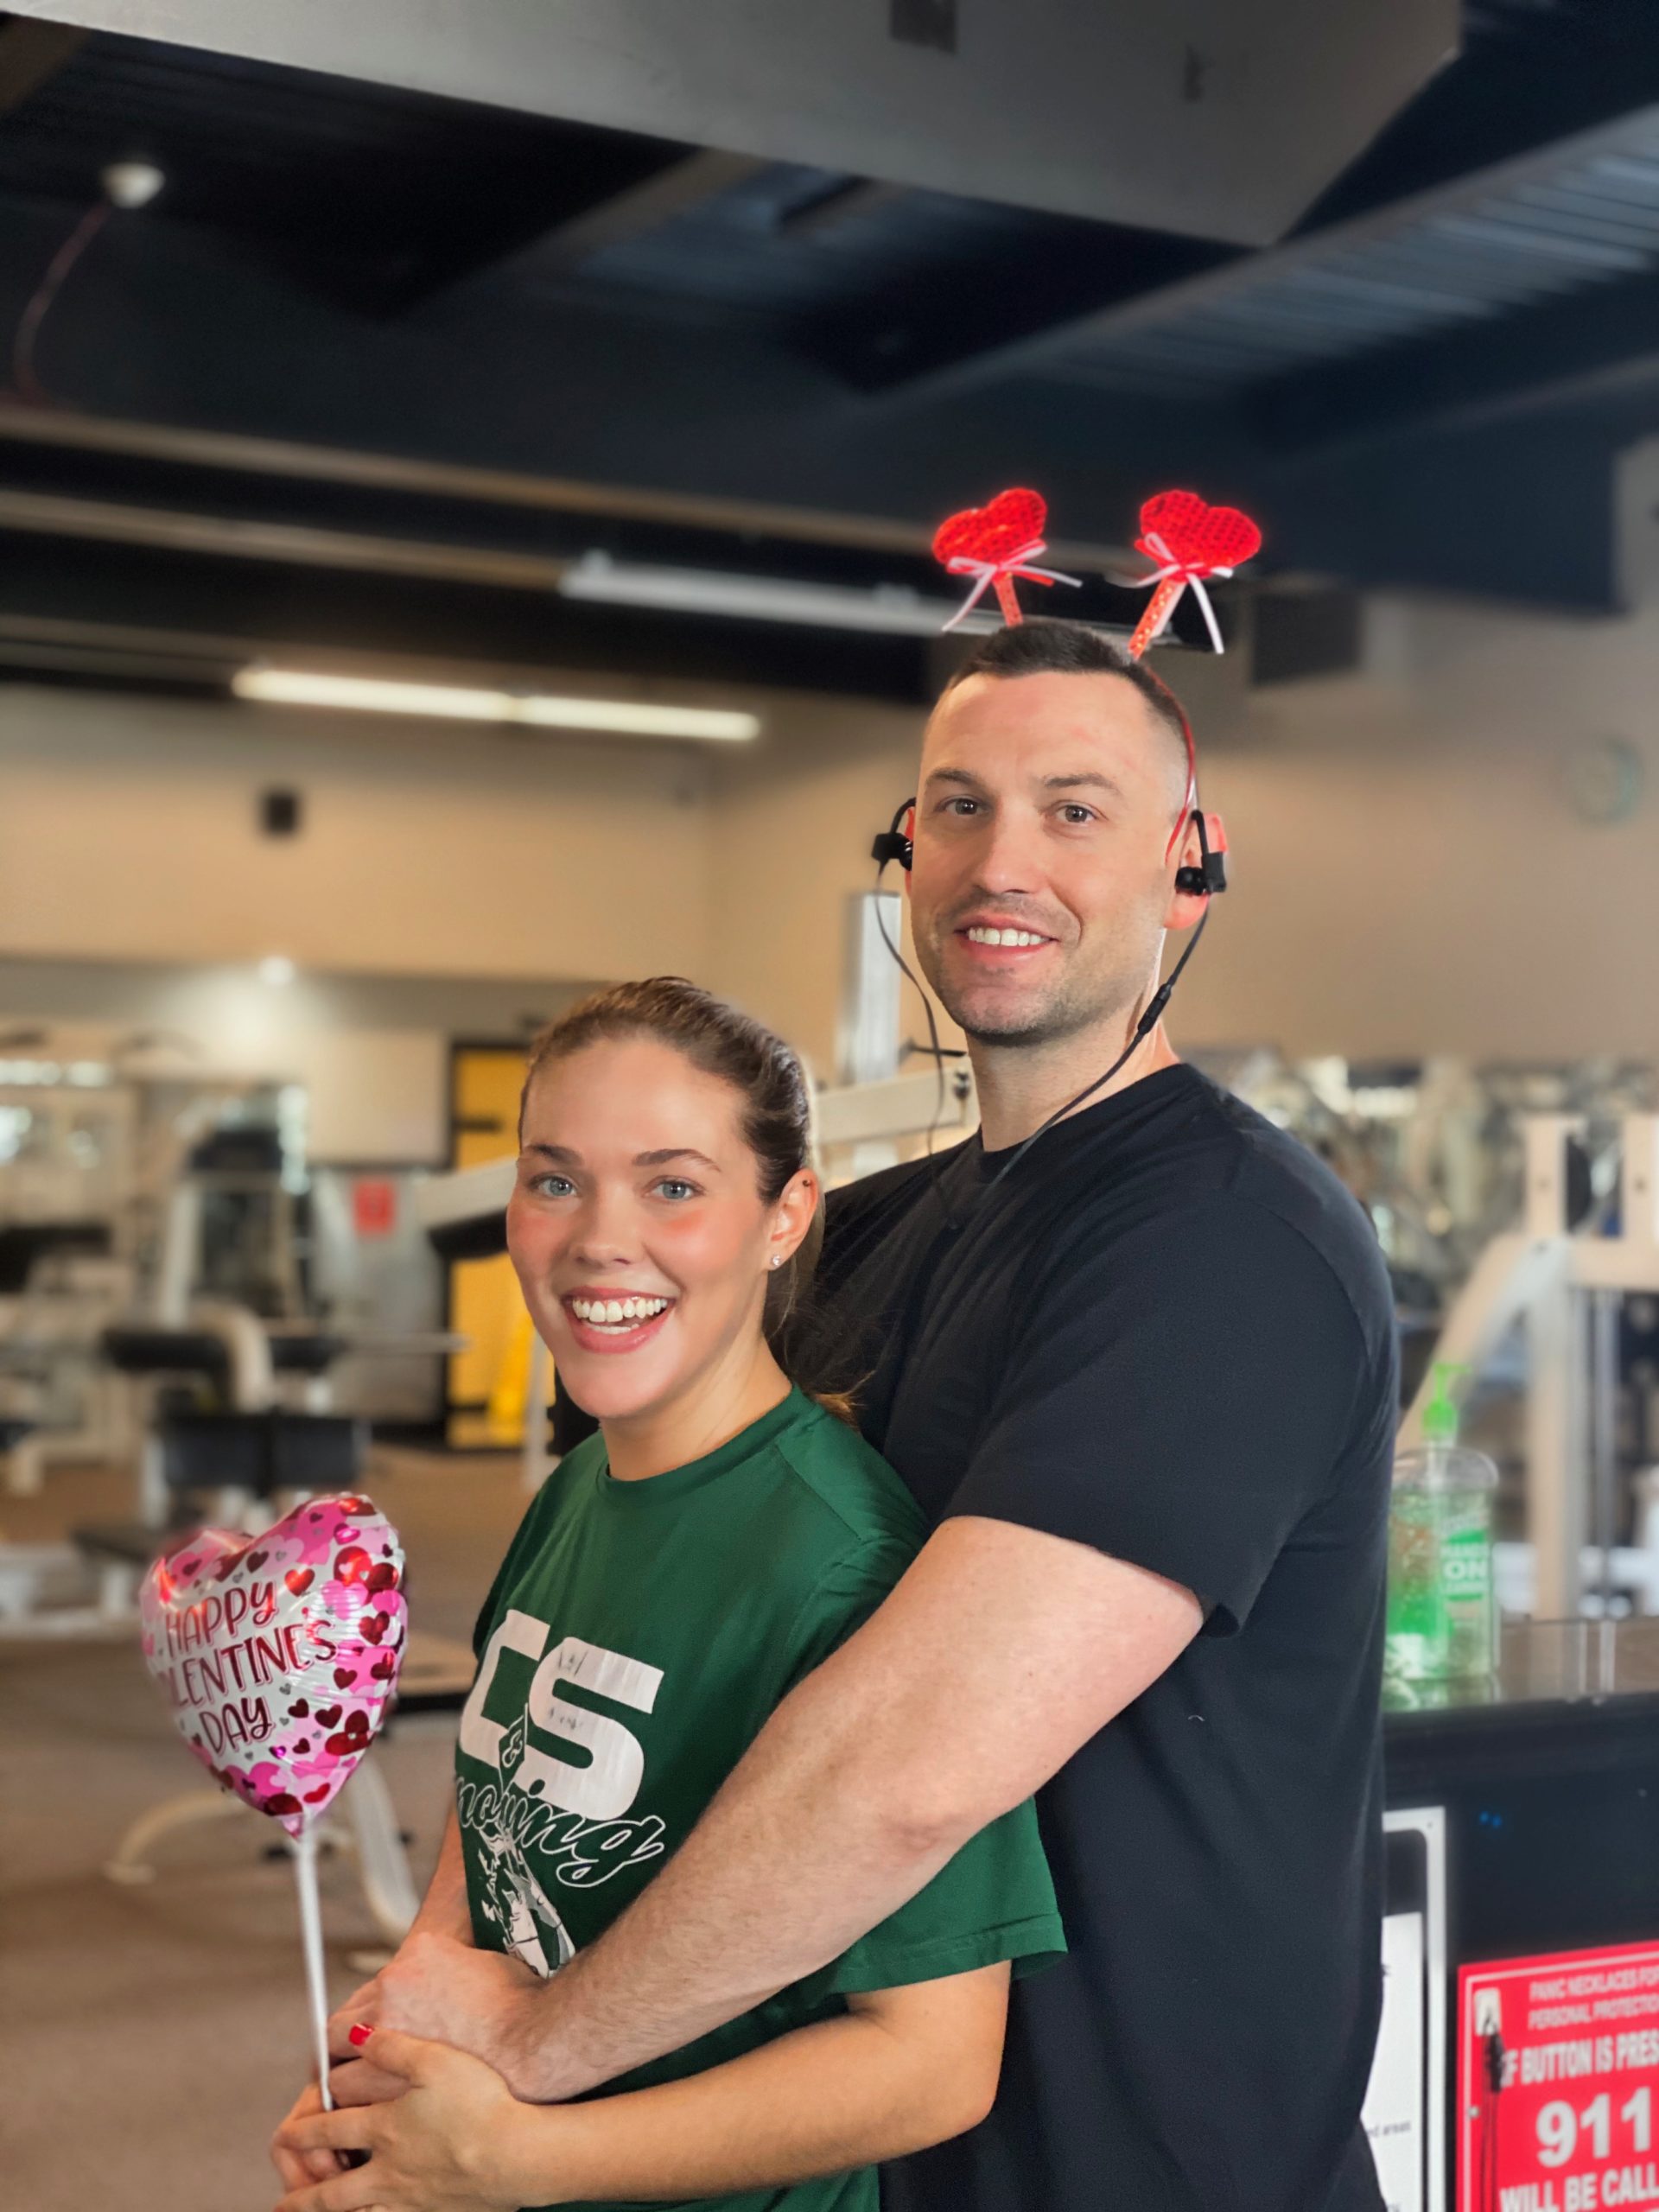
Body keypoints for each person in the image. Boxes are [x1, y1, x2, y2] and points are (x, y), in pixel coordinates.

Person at [313, 620, 1398, 2212]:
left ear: (1190, 864)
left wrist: (533, 2059)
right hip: (845, 2156)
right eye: (958, 807)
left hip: (1132, 2161)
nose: (1000, 862)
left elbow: (904, 1766)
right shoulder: (873, 1233)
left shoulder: (1231, 1242)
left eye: (1073, 809)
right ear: (906, 851)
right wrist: (426, 2031)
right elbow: (631, 1622)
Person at [271, 976, 1063, 2212]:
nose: (599, 1238)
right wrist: (395, 2059)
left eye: (674, 1187)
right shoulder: (580, 1486)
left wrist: (513, 2161)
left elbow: (932, 2066)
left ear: (786, 1215)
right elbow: (501, 1809)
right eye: (555, 1180)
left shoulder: (842, 1565)